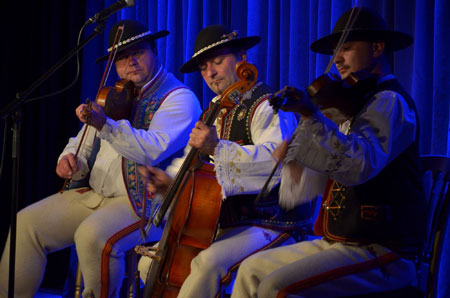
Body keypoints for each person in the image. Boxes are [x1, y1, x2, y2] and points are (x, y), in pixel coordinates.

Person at [231, 7, 426, 298]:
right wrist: (296, 156)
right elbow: (316, 183)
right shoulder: (352, 103)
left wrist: (313, 119)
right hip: (344, 241)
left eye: (346, 48)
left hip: (383, 249)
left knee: (276, 287)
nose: (337, 59)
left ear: (377, 47)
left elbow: (357, 165)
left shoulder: (390, 102)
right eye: (336, 50)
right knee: (251, 270)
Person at [0, 19, 202, 298]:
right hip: (96, 195)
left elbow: (151, 148)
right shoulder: (115, 94)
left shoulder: (180, 98)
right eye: (121, 58)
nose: (130, 63)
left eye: (138, 53)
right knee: (26, 224)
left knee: (91, 236)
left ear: (155, 51)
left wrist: (104, 124)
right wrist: (70, 158)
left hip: (145, 202)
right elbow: (82, 141)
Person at [138, 25, 312, 297]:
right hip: (225, 223)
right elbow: (193, 161)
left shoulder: (267, 104)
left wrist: (219, 148)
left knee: (208, 262)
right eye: (204, 67)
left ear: (242, 57)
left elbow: (277, 163)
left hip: (269, 221)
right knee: (150, 262)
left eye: (218, 62)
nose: (211, 73)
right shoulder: (215, 110)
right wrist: (170, 182)